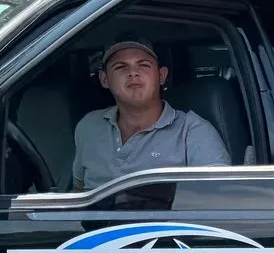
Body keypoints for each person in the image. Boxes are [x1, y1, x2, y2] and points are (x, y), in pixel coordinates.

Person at [71, 38, 230, 190]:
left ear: (161, 76)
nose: (133, 73)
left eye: (144, 65)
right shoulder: (88, 126)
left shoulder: (193, 131)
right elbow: (79, 191)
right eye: (121, 67)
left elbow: (215, 200)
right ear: (104, 79)